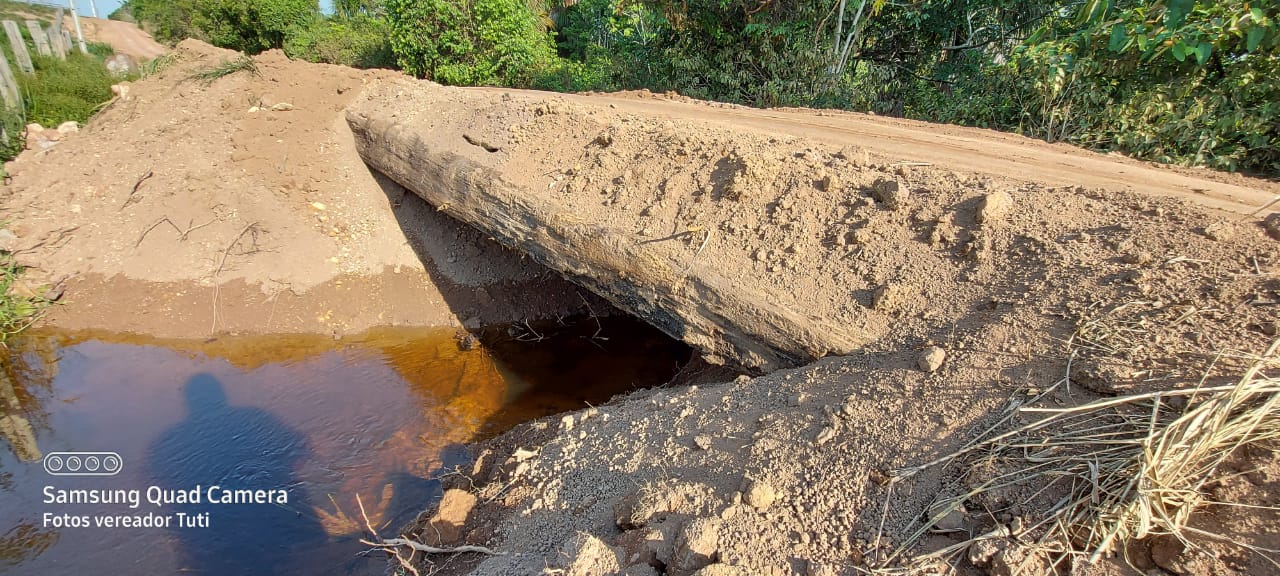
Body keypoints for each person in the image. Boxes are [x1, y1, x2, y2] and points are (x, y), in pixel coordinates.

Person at [148, 373, 327, 575]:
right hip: (274, 523)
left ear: (189, 402)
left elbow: (154, 484)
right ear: (221, 395)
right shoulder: (254, 418)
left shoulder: (170, 440)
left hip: (211, 536)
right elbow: (299, 449)